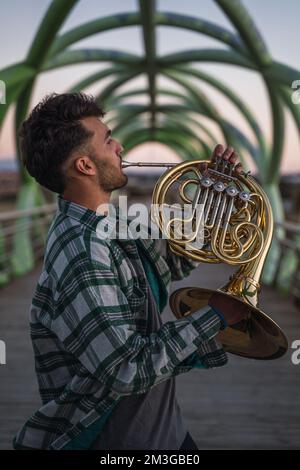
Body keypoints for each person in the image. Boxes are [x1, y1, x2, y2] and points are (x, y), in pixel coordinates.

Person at [13, 93, 249, 450]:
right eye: (108, 140)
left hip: (166, 433)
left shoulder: (113, 221)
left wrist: (211, 194)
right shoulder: (81, 252)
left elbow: (178, 260)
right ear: (85, 166)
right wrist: (216, 316)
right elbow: (127, 369)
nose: (120, 146)